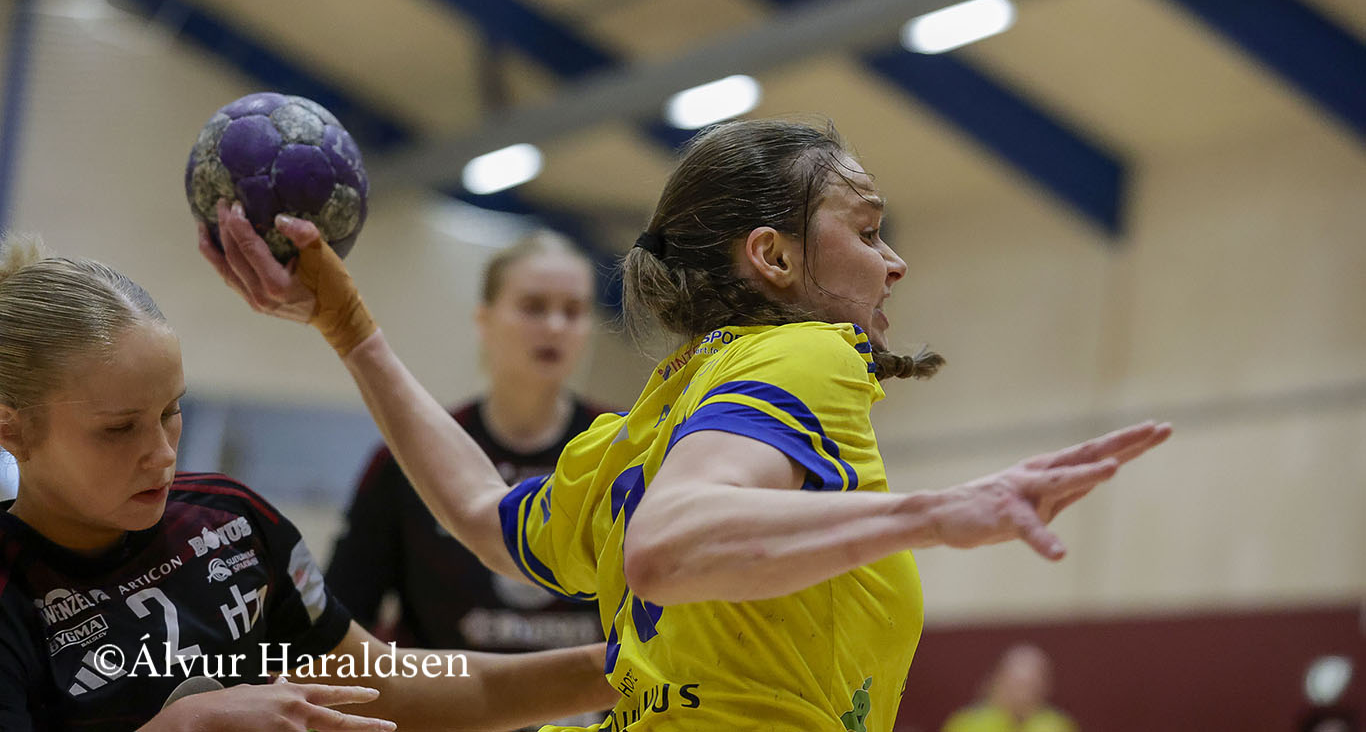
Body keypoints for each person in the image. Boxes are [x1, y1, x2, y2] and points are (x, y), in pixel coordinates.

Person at [202, 117, 1172, 732]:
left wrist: (349, 327)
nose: (895, 262)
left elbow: (483, 514)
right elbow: (667, 547)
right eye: (869, 229)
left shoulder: (652, 416)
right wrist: (937, 512)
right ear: (773, 258)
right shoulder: (810, 353)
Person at [0, 235, 616, 731]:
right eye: (118, 429)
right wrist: (184, 724)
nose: (161, 454)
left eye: (170, 411)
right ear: (13, 430)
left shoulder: (231, 523)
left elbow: (393, 686)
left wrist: (620, 666)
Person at [327, 231, 606, 656]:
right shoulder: (411, 452)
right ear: (484, 319)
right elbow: (344, 614)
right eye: (534, 307)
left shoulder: (629, 446)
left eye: (573, 311)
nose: (555, 326)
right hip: (450, 692)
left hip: (596, 696)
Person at [941, 644, 1078, 732]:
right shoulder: (967, 724)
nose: (1023, 694)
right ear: (996, 682)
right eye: (1017, 685)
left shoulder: (1057, 726)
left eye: (1031, 685)